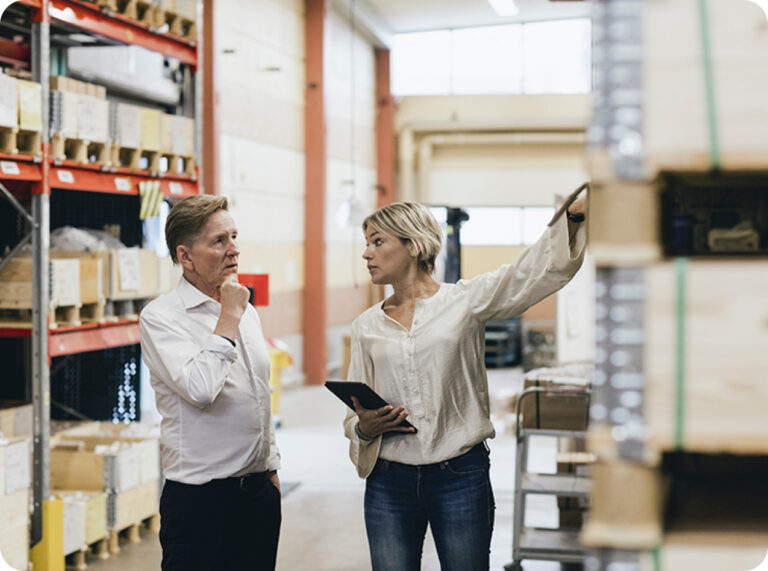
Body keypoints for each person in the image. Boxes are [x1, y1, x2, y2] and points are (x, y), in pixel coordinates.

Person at [343, 194, 587, 571]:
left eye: (377, 242)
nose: (366, 254)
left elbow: (527, 273)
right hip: (389, 481)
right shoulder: (366, 326)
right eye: (366, 243)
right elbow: (354, 413)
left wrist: (571, 217)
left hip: (459, 475)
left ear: (412, 245)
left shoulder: (465, 302)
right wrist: (364, 428)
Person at [140, 195, 281, 571]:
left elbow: (257, 392)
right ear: (185, 256)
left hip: (256, 496)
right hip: (200, 502)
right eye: (219, 241)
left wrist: (270, 467)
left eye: (234, 236)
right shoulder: (161, 317)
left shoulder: (244, 309)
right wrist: (229, 317)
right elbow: (201, 389)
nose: (234, 250)